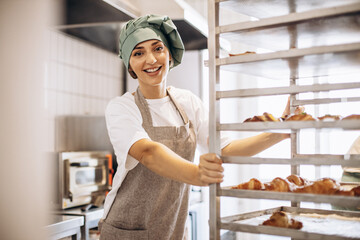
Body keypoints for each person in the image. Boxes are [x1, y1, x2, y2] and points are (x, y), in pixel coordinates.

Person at [99, 14, 290, 240]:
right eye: (138, 53)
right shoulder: (121, 107)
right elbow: (148, 153)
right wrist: (198, 174)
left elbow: (225, 148)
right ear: (130, 64)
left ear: (169, 54)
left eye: (157, 48)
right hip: (126, 232)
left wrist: (282, 129)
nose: (150, 60)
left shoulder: (187, 102)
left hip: (171, 228)